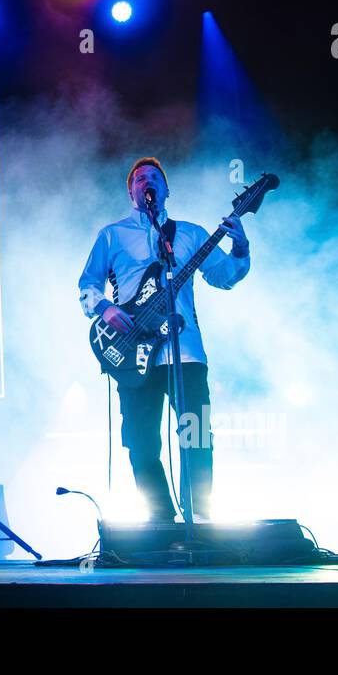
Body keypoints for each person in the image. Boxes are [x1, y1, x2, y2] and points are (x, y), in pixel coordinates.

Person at [78, 157, 251, 523]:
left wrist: (239, 249)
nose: (147, 182)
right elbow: (87, 287)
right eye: (140, 179)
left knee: (197, 431)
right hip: (131, 350)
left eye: (155, 177)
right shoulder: (112, 234)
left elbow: (221, 276)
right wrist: (106, 309)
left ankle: (199, 512)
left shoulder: (189, 233)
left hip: (184, 349)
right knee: (141, 441)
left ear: (167, 190)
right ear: (131, 192)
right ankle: (160, 518)